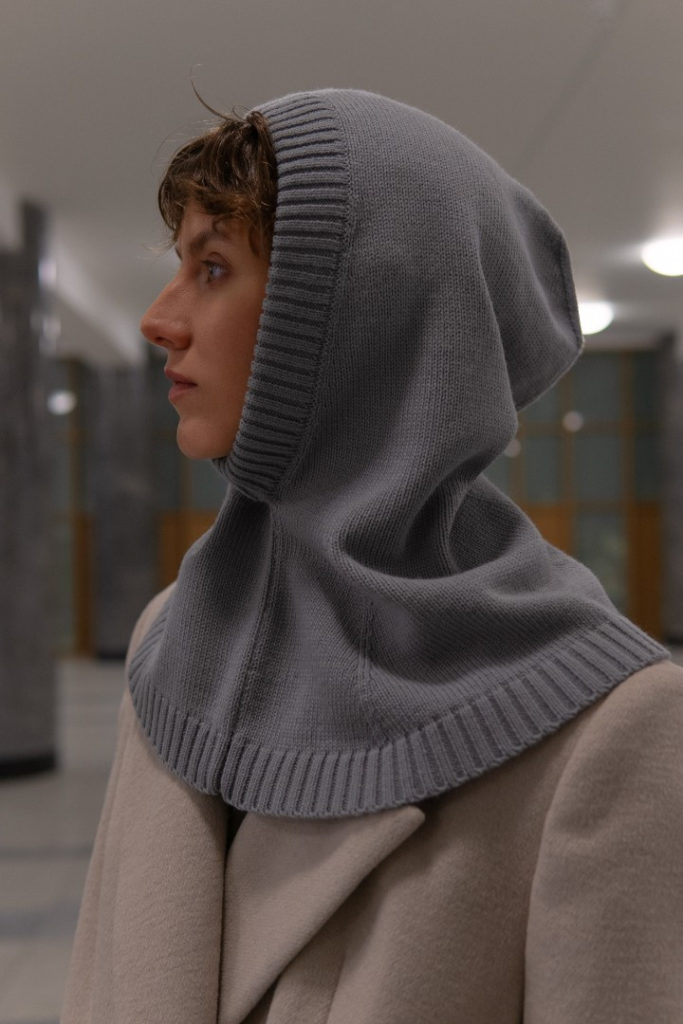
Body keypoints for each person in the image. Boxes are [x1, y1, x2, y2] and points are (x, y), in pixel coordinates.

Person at [61, 88, 683, 1023]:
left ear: (357, 322)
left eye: (214, 268)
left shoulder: (612, 728)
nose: (159, 317)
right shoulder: (174, 640)